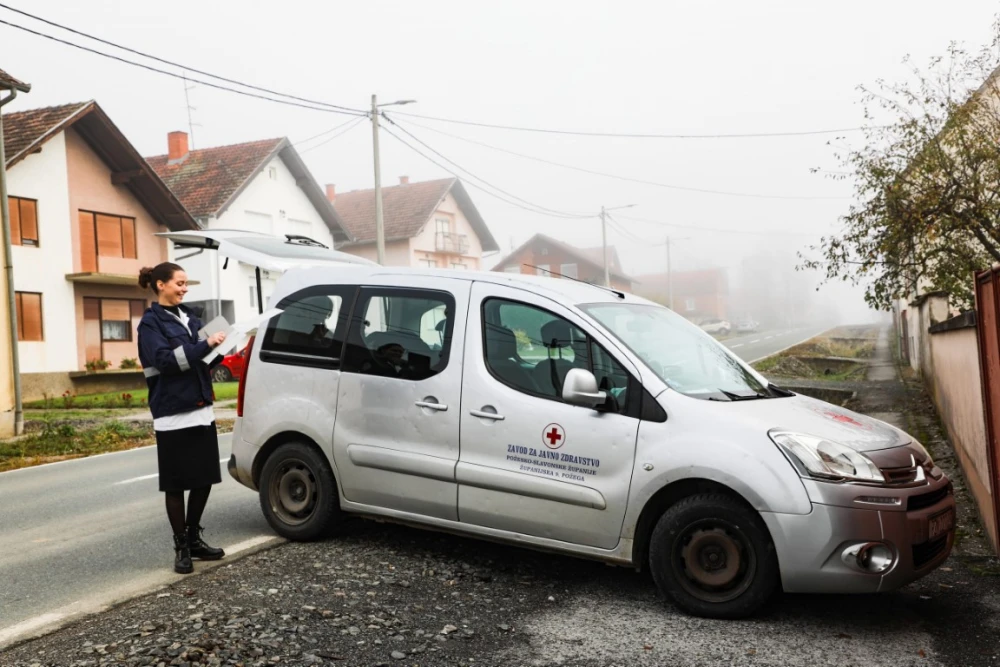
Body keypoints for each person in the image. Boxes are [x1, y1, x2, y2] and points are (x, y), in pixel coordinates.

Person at [137, 262, 228, 574]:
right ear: (161, 284)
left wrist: (223, 347)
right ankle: (180, 548)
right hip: (172, 413)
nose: (184, 288)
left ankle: (193, 539)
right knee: (176, 485)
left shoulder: (191, 317)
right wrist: (205, 344)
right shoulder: (150, 325)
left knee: (204, 479)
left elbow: (203, 361)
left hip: (201, 408)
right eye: (179, 282)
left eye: (186, 283)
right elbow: (164, 361)